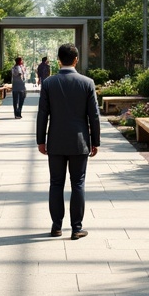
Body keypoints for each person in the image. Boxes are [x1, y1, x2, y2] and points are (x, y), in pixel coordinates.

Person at [35, 43, 100, 240]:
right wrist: (95, 141)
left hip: (55, 141)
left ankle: (56, 226)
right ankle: (76, 228)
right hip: (79, 142)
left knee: (56, 183)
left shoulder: (49, 83)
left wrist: (41, 140)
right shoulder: (87, 82)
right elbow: (94, 116)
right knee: (78, 183)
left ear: (58, 60)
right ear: (76, 59)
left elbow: (42, 114)